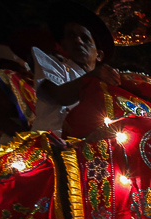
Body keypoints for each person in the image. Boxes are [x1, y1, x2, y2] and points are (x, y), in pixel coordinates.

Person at [32, 1, 120, 135]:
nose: (78, 41)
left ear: (99, 55)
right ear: (64, 45)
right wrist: (93, 76)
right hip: (49, 145)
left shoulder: (106, 84)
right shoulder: (50, 63)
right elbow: (59, 96)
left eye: (85, 39)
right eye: (72, 36)